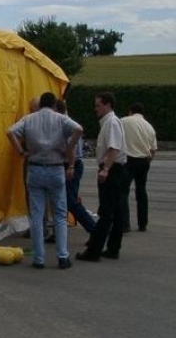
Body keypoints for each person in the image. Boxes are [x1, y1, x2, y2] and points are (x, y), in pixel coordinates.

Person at [7, 92, 83, 269]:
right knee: (59, 214)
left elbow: (10, 132)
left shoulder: (29, 118)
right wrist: (69, 147)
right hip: (56, 168)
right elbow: (79, 129)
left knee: (37, 214)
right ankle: (62, 256)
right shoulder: (60, 119)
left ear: (40, 104)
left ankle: (39, 258)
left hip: (34, 168)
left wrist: (20, 152)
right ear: (54, 104)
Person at [76, 92, 127, 262]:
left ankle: (94, 250)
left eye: (98, 105)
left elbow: (114, 148)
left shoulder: (111, 123)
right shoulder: (110, 122)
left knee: (106, 212)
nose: (95, 108)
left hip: (112, 169)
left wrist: (105, 169)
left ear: (107, 105)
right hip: (116, 169)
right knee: (116, 210)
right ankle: (113, 248)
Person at [55, 100, 96, 235]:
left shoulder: (65, 124)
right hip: (73, 164)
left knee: (69, 201)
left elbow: (70, 149)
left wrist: (70, 166)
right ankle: (58, 232)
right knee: (64, 199)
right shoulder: (68, 122)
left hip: (71, 165)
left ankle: (93, 229)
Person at [121, 103, 157, 232]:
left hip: (129, 159)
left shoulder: (124, 121)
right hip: (144, 160)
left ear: (130, 111)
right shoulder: (149, 126)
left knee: (123, 192)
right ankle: (143, 223)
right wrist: (148, 161)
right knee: (141, 191)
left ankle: (125, 224)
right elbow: (153, 150)